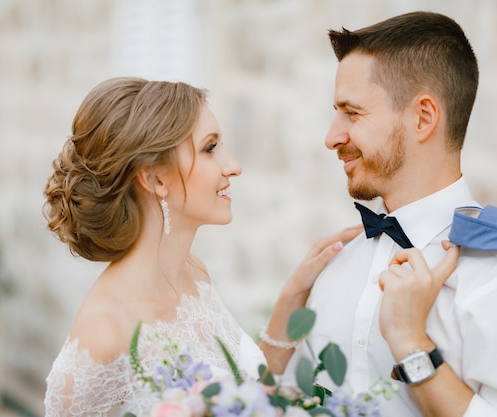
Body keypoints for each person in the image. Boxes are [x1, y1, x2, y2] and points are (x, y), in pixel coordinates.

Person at [261, 11, 497, 417]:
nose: (332, 137)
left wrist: (410, 342)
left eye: (352, 113)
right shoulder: (335, 266)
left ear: (423, 118)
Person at [42, 77, 362, 417]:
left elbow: (246, 396)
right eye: (210, 148)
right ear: (155, 179)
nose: (233, 166)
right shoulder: (103, 334)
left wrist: (293, 294)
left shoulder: (194, 274)